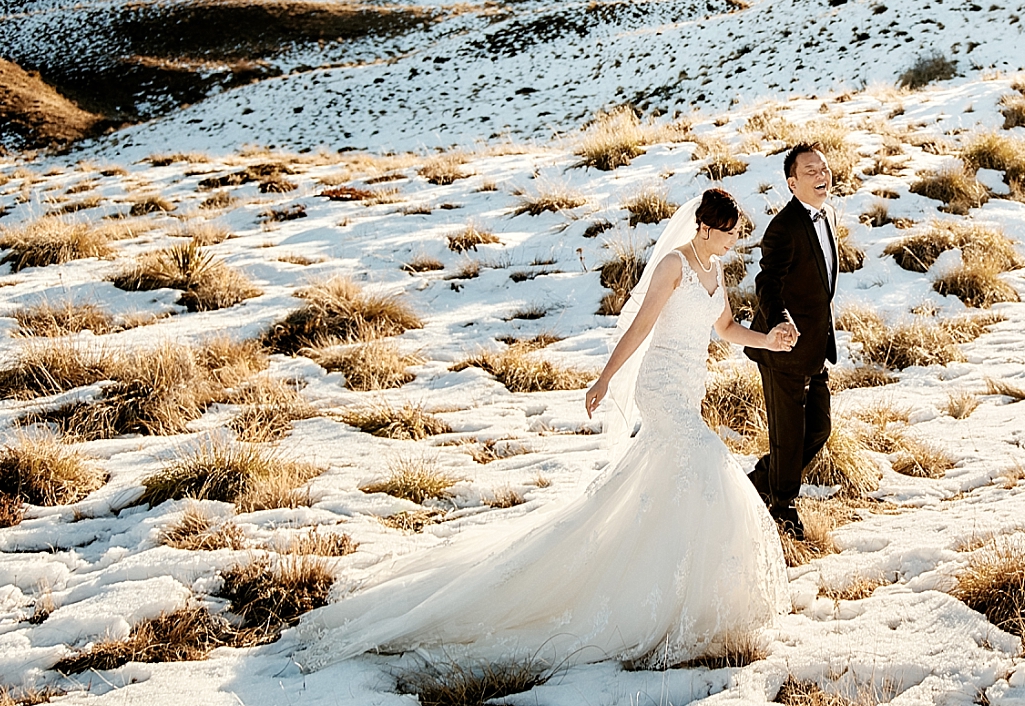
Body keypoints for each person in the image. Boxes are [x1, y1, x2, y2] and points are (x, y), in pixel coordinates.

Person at [286, 188, 796, 672]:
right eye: (727, 233)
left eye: (735, 234)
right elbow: (640, 327)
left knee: (667, 484)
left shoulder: (715, 268)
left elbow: (725, 328)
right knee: (707, 463)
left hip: (690, 389)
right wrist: (604, 378)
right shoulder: (673, 265)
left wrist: (768, 341)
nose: (734, 241)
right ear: (703, 228)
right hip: (661, 389)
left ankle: (675, 587)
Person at [744, 144, 841, 539]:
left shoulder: (828, 214)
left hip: (815, 345)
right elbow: (767, 282)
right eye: (810, 170)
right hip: (781, 348)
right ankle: (781, 509)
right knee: (787, 436)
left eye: (824, 166)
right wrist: (780, 322)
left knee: (818, 429)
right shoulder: (783, 228)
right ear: (792, 182)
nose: (822, 174)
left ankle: (759, 483)